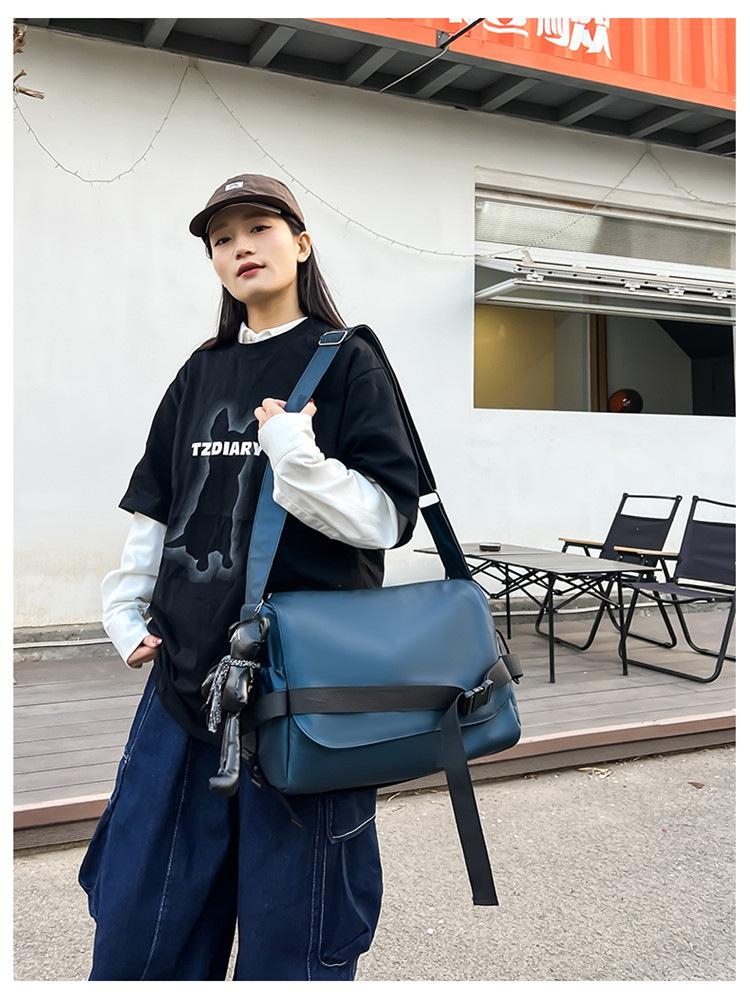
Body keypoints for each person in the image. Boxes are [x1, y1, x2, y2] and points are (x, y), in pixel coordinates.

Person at [77, 174, 421, 981]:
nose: (240, 247)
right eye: (222, 238)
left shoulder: (349, 361)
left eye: (259, 227)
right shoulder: (199, 372)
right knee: (141, 931)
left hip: (307, 698)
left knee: (294, 945)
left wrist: (296, 458)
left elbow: (385, 518)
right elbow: (157, 503)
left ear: (300, 243)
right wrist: (126, 607)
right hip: (183, 688)